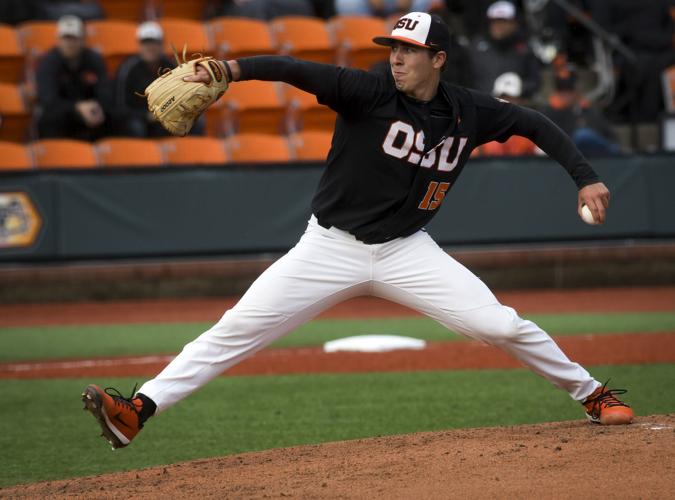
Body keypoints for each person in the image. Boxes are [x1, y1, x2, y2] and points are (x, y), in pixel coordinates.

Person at [82, 12, 633, 450]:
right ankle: (137, 411)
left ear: (437, 58)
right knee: (235, 329)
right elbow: (294, 68)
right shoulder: (365, 92)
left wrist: (584, 177)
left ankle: (592, 394)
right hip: (329, 248)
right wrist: (229, 69)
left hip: (408, 251)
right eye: (392, 48)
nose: (395, 59)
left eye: (409, 51)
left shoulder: (470, 111)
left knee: (503, 326)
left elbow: (534, 122)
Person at [36, 15, 109, 141]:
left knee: (111, 116)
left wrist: (95, 106)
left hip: (91, 112)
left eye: (74, 38)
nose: (70, 43)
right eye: (66, 38)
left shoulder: (94, 60)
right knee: (51, 118)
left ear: (83, 40)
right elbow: (48, 99)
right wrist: (77, 107)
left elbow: (105, 91)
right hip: (61, 115)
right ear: (58, 40)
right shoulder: (48, 63)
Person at [112, 22, 175, 138]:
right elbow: (120, 106)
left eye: (154, 42)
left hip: (165, 115)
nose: (150, 47)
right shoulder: (128, 68)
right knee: (136, 126)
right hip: (136, 117)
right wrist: (146, 116)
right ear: (139, 45)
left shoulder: (171, 67)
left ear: (162, 45)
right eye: (145, 43)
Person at [468, 1, 541, 99]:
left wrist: (520, 88)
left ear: (514, 23)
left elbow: (535, 82)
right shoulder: (476, 47)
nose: (498, 26)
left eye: (503, 21)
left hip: (515, 107)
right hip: (481, 105)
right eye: (494, 21)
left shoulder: (525, 48)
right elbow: (464, 79)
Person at [542, 67, 621, 156]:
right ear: (557, 92)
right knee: (582, 135)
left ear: (577, 90)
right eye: (562, 91)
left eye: (569, 91)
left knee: (587, 136)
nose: (566, 95)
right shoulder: (549, 112)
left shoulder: (587, 110)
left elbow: (610, 135)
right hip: (565, 157)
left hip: (595, 157)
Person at [472, 71, 536, 157]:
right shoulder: (482, 127)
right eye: (501, 98)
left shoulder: (529, 131)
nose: (505, 103)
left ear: (519, 101)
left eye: (510, 99)